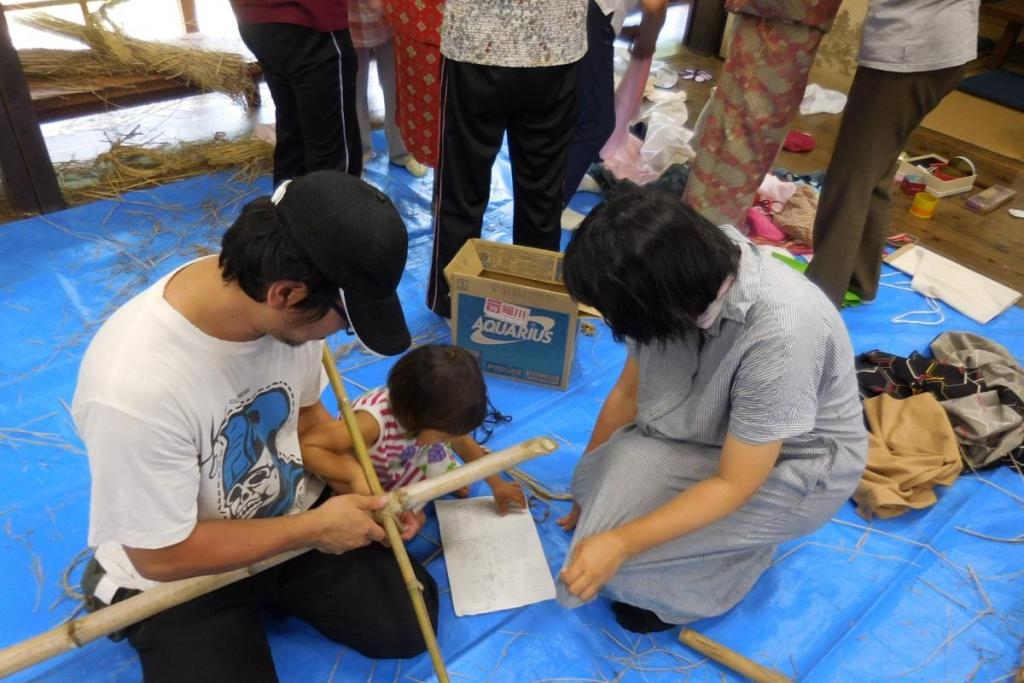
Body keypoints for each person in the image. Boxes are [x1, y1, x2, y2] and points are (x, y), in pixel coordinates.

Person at [73, 171, 435, 682]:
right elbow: (159, 555)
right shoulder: (134, 389)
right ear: (286, 294)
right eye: (347, 321)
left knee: (408, 623)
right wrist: (315, 529)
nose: (343, 333)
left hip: (287, 518)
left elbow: (307, 423)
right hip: (184, 563)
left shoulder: (282, 314)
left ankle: (268, 597)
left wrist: (357, 484)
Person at [554, 187, 867, 633]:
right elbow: (626, 394)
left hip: (790, 468)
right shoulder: (684, 264)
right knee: (595, 485)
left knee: (623, 572)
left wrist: (621, 541)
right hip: (713, 438)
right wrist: (587, 490)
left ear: (655, 302)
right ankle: (716, 543)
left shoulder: (781, 332)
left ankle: (739, 561)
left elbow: (734, 482)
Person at [806, 0, 980, 307]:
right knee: (875, 169)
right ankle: (858, 279)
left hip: (913, 47)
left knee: (851, 177)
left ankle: (818, 300)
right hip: (942, 42)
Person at [426, 0, 589, 318]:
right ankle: (537, 305)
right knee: (542, 192)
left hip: (479, 42)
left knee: (462, 186)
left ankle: (452, 299)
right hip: (552, 43)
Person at [301, 344, 527, 528]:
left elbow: (462, 441)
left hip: (411, 458)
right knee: (377, 522)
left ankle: (433, 483)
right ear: (415, 417)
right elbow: (308, 446)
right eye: (444, 435)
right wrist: (354, 474)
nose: (452, 438)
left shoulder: (432, 419)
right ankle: (415, 502)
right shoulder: (370, 424)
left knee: (439, 455)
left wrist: (497, 484)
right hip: (378, 473)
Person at [681, 0, 843, 227]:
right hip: (781, 12)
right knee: (742, 131)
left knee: (748, 133)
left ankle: (705, 234)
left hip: (790, 12)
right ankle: (703, 234)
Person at [229, 0, 363, 185]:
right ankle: (333, 208)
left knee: (292, 132)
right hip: (308, 20)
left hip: (256, 17)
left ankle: (288, 208)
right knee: (332, 154)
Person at [563, 0, 668, 208]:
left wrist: (620, 31)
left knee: (564, 108)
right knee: (595, 124)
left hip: (562, 14)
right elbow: (655, 6)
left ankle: (544, 197)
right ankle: (552, 200)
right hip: (586, 13)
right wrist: (647, 42)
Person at [349, 0, 428, 176]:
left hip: (391, 16)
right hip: (349, 19)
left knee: (397, 85)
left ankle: (402, 151)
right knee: (354, 88)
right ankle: (358, 152)